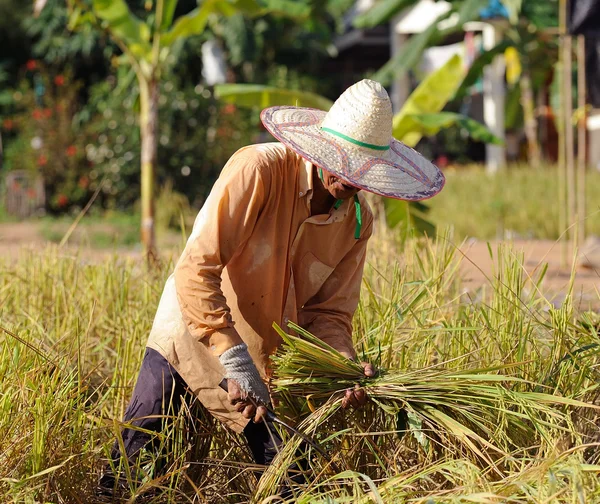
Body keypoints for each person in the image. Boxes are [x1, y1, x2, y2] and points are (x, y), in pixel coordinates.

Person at [98, 79, 445, 494]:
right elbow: (197, 268)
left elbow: (329, 314)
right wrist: (232, 358)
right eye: (344, 166)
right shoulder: (259, 169)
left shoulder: (356, 222)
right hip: (193, 336)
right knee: (139, 475)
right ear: (323, 150)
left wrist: (343, 365)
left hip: (265, 368)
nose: (350, 182)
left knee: (292, 484)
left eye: (361, 174)